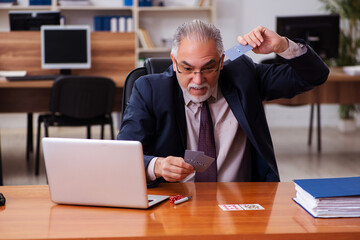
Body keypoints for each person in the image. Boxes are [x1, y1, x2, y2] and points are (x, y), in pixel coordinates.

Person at [118, 19, 329, 184]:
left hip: (242, 201)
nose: (198, 80)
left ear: (221, 62)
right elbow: (122, 154)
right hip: (178, 202)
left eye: (208, 68)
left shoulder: (244, 77)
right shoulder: (151, 90)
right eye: (188, 68)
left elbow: (315, 76)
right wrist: (156, 165)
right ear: (174, 63)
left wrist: (282, 45)